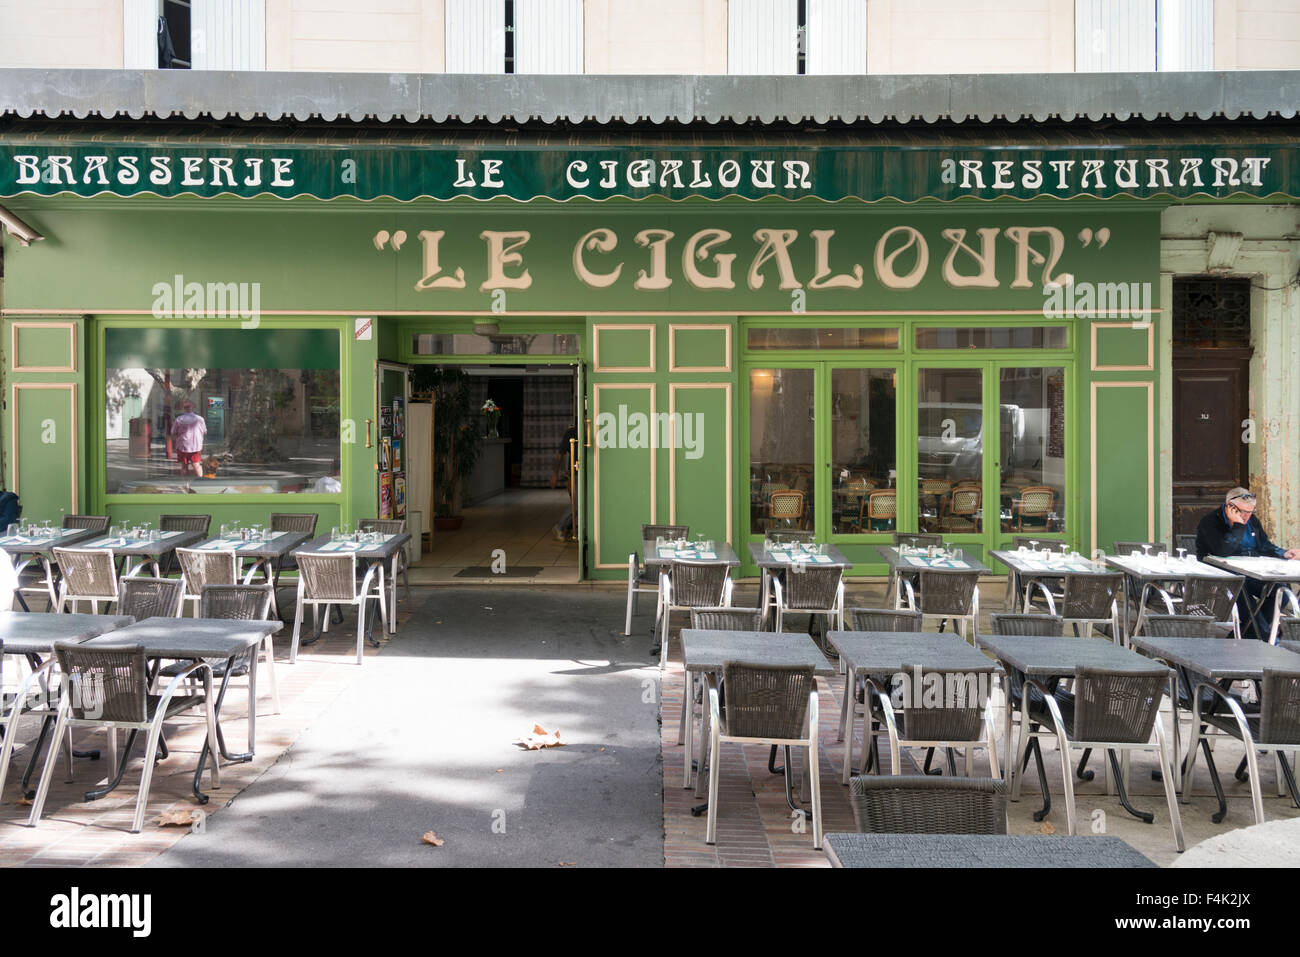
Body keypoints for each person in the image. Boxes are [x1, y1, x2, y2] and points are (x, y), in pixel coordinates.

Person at [1196, 487, 1299, 639]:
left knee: (1279, 591)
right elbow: (1221, 551)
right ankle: (1265, 637)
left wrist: (1284, 553)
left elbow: (1263, 545)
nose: (1246, 516)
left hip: (1251, 570)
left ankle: (1245, 636)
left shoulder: (1253, 521)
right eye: (1242, 511)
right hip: (1222, 574)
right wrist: (1238, 526)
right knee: (1241, 589)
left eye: (1250, 512)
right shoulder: (1210, 522)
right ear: (1229, 506)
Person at [549, 424, 578, 542]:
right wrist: (555, 474)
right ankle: (560, 526)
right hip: (576, 473)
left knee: (584, 505)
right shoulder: (571, 432)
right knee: (577, 504)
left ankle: (569, 527)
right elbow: (560, 455)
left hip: (591, 473)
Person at [171, 400, 207, 478]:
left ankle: (186, 484)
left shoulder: (178, 419)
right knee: (196, 465)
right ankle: (201, 482)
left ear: (183, 408)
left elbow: (174, 432)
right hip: (196, 446)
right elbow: (204, 432)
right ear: (193, 408)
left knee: (184, 466)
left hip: (182, 445)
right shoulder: (200, 419)